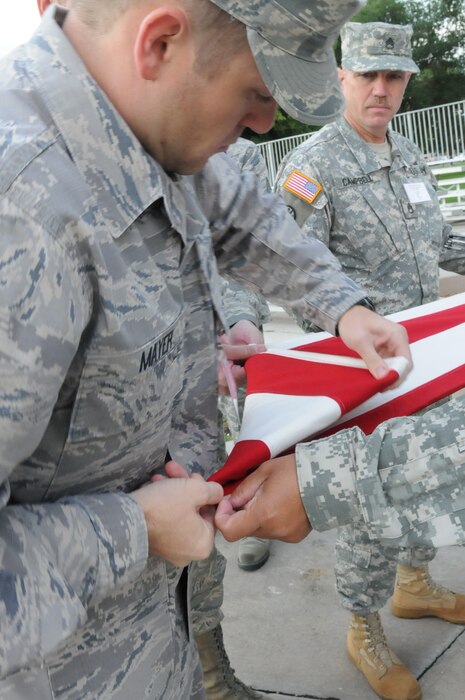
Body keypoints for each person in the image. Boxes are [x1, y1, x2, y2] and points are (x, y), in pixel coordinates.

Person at [0, 1, 412, 698]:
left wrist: (340, 305)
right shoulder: (23, 216)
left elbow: (240, 213)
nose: (260, 123)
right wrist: (132, 532)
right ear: (159, 42)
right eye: (254, 95)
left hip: (156, 636)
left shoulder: (142, 124)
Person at [275, 21, 465, 700]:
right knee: (367, 502)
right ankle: (363, 627)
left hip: (432, 360)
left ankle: (413, 585)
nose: (381, 88)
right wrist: (350, 325)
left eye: (394, 75)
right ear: (341, 78)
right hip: (363, 373)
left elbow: (438, 241)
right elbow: (288, 275)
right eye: (368, 75)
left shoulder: (411, 157)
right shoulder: (313, 167)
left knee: (423, 485)